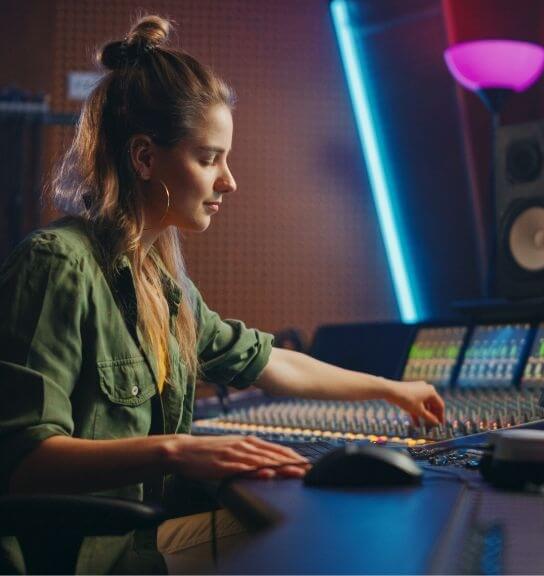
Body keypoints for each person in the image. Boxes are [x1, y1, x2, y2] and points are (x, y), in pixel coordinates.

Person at [0, 15, 445, 573]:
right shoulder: (57, 264)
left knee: (314, 519)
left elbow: (267, 361)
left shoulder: (165, 286)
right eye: (210, 158)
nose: (228, 181)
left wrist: (391, 390)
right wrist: (178, 450)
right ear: (144, 158)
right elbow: (22, 462)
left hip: (133, 547)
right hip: (75, 560)